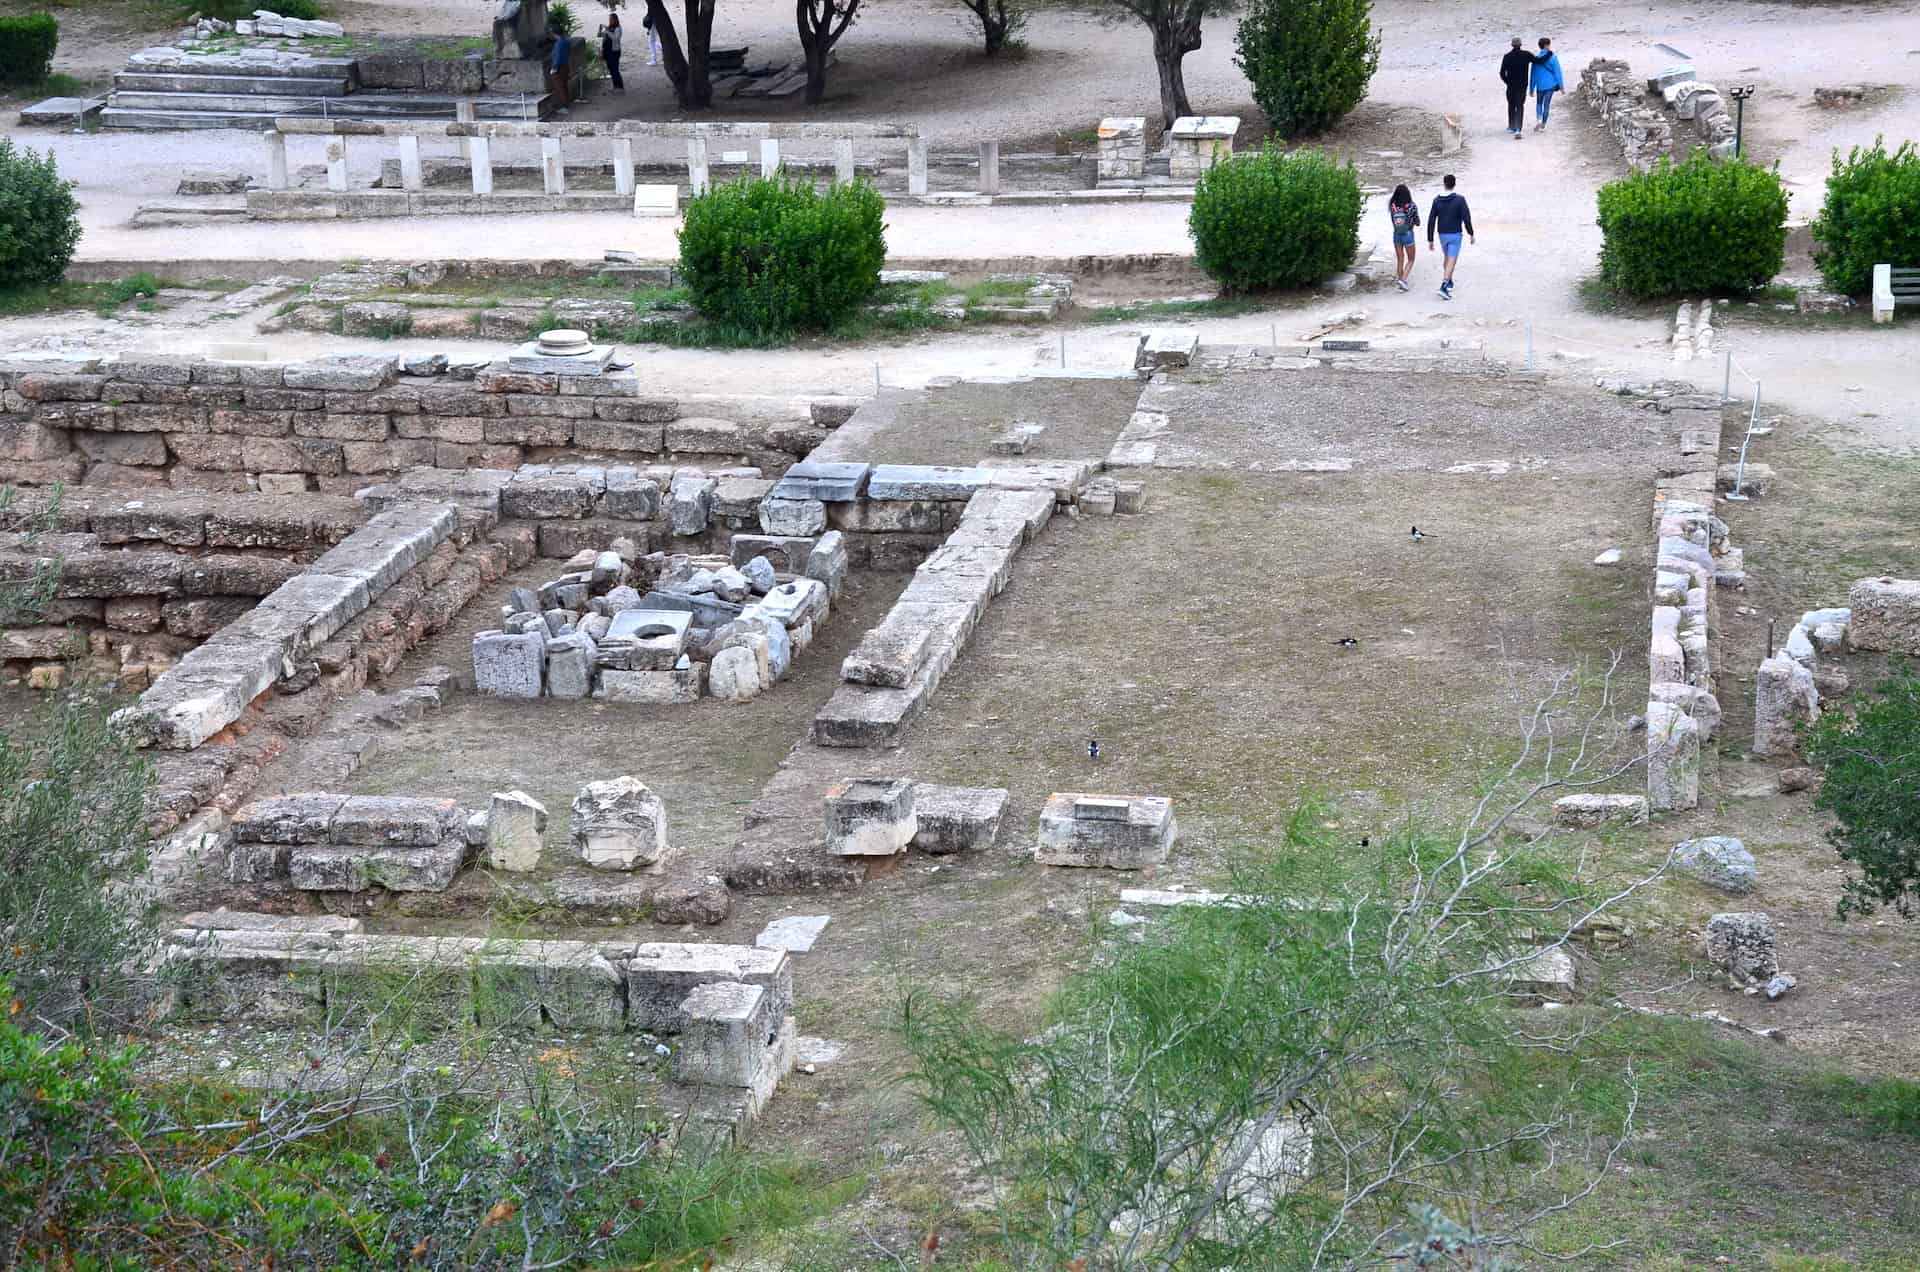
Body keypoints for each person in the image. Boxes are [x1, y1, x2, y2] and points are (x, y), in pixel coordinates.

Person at [1426, 174, 1474, 300]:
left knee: (1447, 258)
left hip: (1442, 235)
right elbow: (1466, 218)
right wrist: (1471, 233)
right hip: (1455, 235)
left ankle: (1450, 280)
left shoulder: (1437, 200)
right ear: (1454, 184)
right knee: (1452, 260)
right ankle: (1443, 285)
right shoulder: (1460, 199)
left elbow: (1431, 220)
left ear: (1444, 184)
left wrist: (1430, 239)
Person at [1499, 36, 1534, 138]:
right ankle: (1518, 128)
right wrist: (1548, 53)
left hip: (1511, 86)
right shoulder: (1526, 55)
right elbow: (1538, 61)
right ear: (1521, 45)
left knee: (1511, 105)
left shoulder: (1507, 56)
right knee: (1520, 106)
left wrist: (1507, 82)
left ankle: (1511, 126)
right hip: (1522, 86)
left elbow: (1502, 73)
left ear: (1512, 45)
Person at [1388, 184, 1420, 292]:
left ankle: (1400, 281)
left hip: (1396, 234)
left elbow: (1393, 220)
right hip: (1408, 234)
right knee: (1411, 259)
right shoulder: (1411, 206)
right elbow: (1417, 221)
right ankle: (1403, 280)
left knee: (1400, 259)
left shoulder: (1392, 206)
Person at [1530, 37, 1564, 131]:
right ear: (1546, 45)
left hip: (1540, 85)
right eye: (1549, 44)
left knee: (1539, 103)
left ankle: (1539, 120)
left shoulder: (1536, 59)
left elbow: (1533, 75)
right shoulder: (1553, 57)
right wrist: (1561, 87)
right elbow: (1558, 73)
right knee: (1547, 104)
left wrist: (1531, 88)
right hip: (1551, 85)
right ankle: (1543, 124)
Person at [598, 14, 624, 92]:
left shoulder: (618, 28)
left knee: (615, 69)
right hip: (608, 51)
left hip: (614, 51)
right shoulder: (610, 28)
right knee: (611, 69)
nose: (610, 21)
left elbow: (615, 38)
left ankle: (620, 86)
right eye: (609, 19)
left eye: (612, 19)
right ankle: (615, 86)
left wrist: (607, 31)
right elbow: (600, 35)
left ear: (615, 20)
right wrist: (601, 30)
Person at [548, 28, 572, 108]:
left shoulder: (558, 43)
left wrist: (554, 69)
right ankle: (567, 103)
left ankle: (565, 106)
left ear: (554, 34)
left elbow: (558, 58)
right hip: (565, 66)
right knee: (564, 86)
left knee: (560, 88)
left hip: (559, 68)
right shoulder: (565, 41)